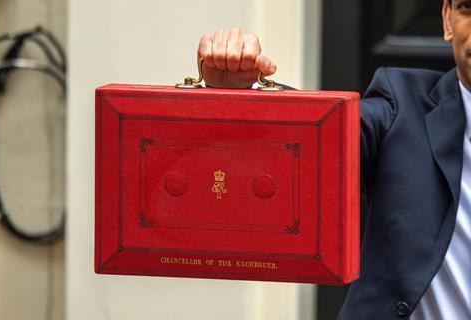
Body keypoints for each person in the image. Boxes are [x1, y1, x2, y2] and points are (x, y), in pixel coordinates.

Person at [197, 1, 470, 319]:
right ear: (447, 20)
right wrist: (242, 91)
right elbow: (311, 139)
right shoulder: (403, 106)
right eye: (467, 7)